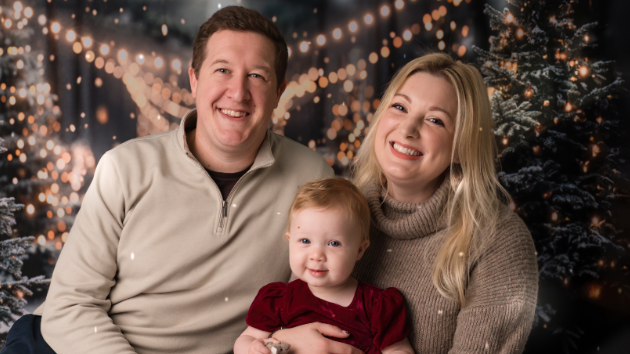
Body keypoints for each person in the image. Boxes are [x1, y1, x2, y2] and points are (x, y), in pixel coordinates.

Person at [1, 6, 335, 354]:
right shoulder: (124, 168)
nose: (238, 92)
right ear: (194, 79)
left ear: (279, 90)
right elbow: (70, 305)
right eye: (222, 70)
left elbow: (310, 304)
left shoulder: (312, 181)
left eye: (257, 76)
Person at [350, 53, 539, 353]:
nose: (408, 129)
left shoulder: (498, 241)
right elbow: (282, 319)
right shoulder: (338, 207)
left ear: (462, 147)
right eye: (399, 107)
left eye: (435, 120)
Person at [234, 178, 415, 354]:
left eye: (334, 243)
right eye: (305, 240)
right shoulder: (278, 301)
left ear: (360, 250)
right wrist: (252, 348)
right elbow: (246, 339)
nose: (317, 256)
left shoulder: (376, 307)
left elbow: (399, 350)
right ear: (290, 241)